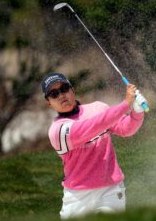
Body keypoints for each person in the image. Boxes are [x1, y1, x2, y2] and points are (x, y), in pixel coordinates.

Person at [41, 72, 146, 219]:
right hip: (78, 198)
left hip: (110, 190)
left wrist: (137, 111)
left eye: (64, 88)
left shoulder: (98, 108)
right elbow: (93, 125)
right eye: (54, 94)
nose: (61, 95)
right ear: (49, 102)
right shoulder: (57, 131)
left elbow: (126, 129)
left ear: (72, 90)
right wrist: (125, 104)